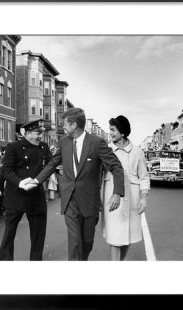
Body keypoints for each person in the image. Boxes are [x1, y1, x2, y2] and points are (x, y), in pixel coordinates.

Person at [29, 108, 125, 261]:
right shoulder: (64, 142)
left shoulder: (96, 143)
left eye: (65, 124)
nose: (63, 127)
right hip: (70, 199)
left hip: (89, 201)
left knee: (87, 242)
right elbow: (53, 163)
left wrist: (117, 193)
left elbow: (116, 167)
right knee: (74, 241)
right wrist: (35, 181)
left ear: (74, 125)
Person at [0, 119, 52, 261]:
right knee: (9, 233)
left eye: (41, 133)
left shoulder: (44, 147)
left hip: (36, 196)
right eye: (37, 133)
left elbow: (50, 166)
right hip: (16, 196)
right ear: (27, 133)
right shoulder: (14, 147)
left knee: (38, 234)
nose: (40, 136)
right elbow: (6, 170)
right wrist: (19, 182)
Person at [101, 115, 150, 260]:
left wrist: (143, 198)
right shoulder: (105, 150)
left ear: (122, 132)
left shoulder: (137, 152)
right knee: (115, 238)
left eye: (113, 130)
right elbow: (97, 176)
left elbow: (144, 177)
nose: (110, 133)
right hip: (111, 198)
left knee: (127, 237)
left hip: (132, 200)